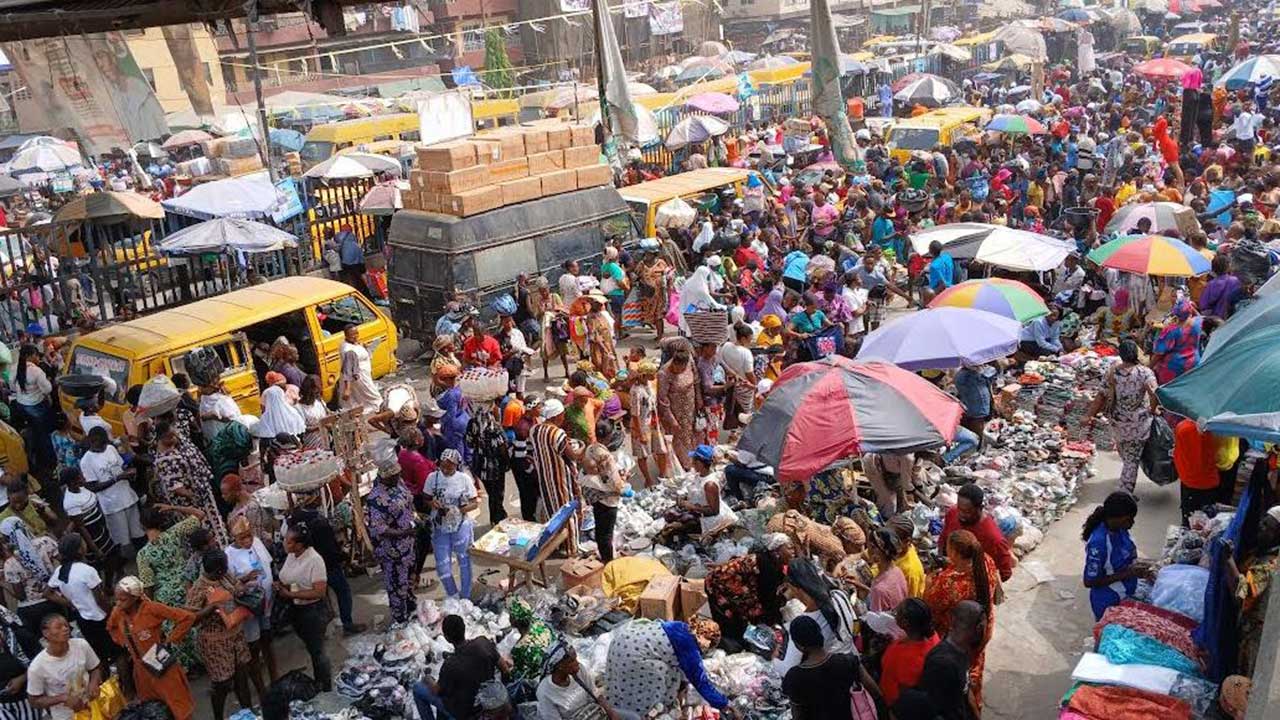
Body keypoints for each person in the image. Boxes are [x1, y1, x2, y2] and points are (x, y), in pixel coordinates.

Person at [923, 531, 998, 713]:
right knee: (974, 671)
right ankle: (975, 705)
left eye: (949, 548)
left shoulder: (949, 582)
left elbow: (929, 605)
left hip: (958, 638)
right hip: (981, 629)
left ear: (955, 553)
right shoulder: (985, 561)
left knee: (957, 683)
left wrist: (929, 580)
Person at [108, 577, 197, 720]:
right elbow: (111, 627)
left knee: (177, 707)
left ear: (135, 598)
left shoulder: (151, 609)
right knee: (151, 710)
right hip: (141, 671)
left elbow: (187, 618)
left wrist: (170, 641)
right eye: (116, 599)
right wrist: (125, 643)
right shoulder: (118, 613)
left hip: (161, 665)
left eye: (122, 600)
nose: (118, 603)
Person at [604, 619, 728, 718]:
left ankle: (619, 701)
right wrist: (725, 704)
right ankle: (640, 710)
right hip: (632, 656)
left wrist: (683, 685)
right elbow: (701, 682)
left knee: (673, 670)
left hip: (621, 642)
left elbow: (683, 667)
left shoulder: (680, 626)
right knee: (663, 673)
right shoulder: (690, 647)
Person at [187, 550, 258, 719]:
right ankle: (218, 716)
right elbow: (190, 619)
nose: (227, 569)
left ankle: (248, 713)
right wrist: (211, 608)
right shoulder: (199, 589)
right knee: (223, 683)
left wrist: (241, 589)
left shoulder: (224, 577)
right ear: (217, 570)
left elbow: (235, 586)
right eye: (224, 567)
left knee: (242, 677)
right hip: (216, 643)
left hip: (235, 635)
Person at [894, 601, 987, 720]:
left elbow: (965, 690)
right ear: (979, 628)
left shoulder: (961, 650)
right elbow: (935, 709)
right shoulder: (943, 665)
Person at [782, 614, 884, 720]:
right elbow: (876, 693)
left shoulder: (794, 677)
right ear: (820, 635)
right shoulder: (848, 661)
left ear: (799, 645)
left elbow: (797, 715)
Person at [1089, 339, 1159, 494]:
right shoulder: (1144, 372)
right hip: (1139, 422)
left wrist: (1088, 415)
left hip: (1118, 421)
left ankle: (1125, 484)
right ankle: (1125, 491)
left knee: (1127, 454)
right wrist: (1152, 409)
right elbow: (1154, 393)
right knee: (1131, 457)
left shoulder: (1112, 372)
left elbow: (1101, 395)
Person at [274, 525, 335, 691]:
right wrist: (281, 586)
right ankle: (319, 683)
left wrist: (291, 594)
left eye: (288, 541)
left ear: (299, 544)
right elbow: (288, 577)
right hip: (297, 609)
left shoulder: (314, 560)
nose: (285, 544)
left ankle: (325, 686)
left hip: (313, 611)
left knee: (318, 652)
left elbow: (320, 592)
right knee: (312, 648)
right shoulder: (292, 556)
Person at [153, 419, 229, 548]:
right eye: (171, 436)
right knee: (202, 533)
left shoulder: (177, 447)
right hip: (190, 504)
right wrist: (193, 495)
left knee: (214, 526)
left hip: (203, 496)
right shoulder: (164, 460)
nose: (175, 437)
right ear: (162, 438)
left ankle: (222, 547)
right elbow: (177, 488)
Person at [775, 558, 857, 675]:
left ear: (794, 587)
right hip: (853, 660)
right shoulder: (839, 595)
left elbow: (786, 668)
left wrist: (773, 657)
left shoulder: (806, 622)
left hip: (835, 675)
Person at [224, 515, 278, 685]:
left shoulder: (257, 543)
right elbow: (230, 585)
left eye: (250, 536)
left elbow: (268, 564)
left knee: (268, 640)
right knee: (253, 645)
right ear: (234, 537)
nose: (248, 541)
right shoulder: (229, 554)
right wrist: (245, 579)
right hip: (249, 608)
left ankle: (275, 677)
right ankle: (260, 685)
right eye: (243, 538)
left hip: (266, 602)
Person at [47, 534, 116, 665]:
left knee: (99, 655)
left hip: (82, 619)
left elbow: (48, 593)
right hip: (100, 617)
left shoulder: (60, 571)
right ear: (79, 550)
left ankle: (108, 681)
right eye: (83, 543)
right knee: (117, 653)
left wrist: (70, 603)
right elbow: (100, 600)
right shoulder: (86, 570)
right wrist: (113, 612)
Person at [1082, 491, 1149, 621]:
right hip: (1110, 600)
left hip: (1126, 591)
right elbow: (1089, 581)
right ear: (1116, 518)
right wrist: (1128, 573)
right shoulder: (1099, 543)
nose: (1132, 523)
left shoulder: (1120, 529)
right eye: (1128, 519)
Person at [530, 400, 585, 554]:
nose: (563, 418)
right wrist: (582, 448)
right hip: (561, 480)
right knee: (568, 513)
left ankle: (558, 545)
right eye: (562, 415)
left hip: (545, 478)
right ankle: (571, 549)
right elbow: (573, 455)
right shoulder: (557, 433)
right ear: (556, 416)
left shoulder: (535, 430)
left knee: (553, 513)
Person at [78, 426, 143, 557]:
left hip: (128, 497)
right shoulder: (86, 461)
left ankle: (142, 556)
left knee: (139, 533)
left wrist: (128, 472)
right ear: (92, 441)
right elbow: (93, 487)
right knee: (123, 540)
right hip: (113, 505)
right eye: (101, 444)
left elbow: (120, 467)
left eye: (105, 443)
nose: (103, 447)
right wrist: (117, 478)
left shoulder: (110, 448)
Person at [431, 614, 510, 720]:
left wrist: (428, 680)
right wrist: (501, 692)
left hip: (465, 713)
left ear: (447, 638)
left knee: (418, 688)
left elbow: (437, 692)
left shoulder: (450, 665)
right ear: (464, 629)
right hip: (488, 703)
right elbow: (505, 670)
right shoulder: (483, 643)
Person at [366, 463, 417, 623]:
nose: (398, 478)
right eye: (395, 476)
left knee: (408, 580)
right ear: (384, 477)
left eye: (398, 474)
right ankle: (400, 619)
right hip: (392, 551)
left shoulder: (398, 483)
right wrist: (404, 532)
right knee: (396, 584)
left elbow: (408, 499)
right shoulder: (376, 498)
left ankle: (410, 608)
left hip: (407, 545)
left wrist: (414, 518)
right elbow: (378, 529)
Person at [424, 449, 478, 600]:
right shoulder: (432, 478)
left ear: (457, 465)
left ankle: (466, 596)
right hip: (440, 527)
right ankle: (453, 595)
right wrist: (432, 503)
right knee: (442, 565)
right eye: (443, 466)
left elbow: (474, 503)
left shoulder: (464, 479)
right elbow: (426, 498)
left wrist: (459, 510)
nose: (446, 469)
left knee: (464, 561)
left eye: (450, 467)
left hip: (460, 526)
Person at [26, 615, 103, 720]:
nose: (65, 629)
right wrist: (63, 698)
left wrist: (94, 683)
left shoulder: (81, 645)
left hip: (93, 706)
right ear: (46, 633)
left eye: (66, 625)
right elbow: (34, 701)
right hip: (66, 716)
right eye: (58, 627)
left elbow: (95, 668)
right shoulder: (37, 666)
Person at [938, 484, 1015, 582]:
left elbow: (1005, 573)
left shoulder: (993, 538)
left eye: (967, 512)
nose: (961, 515)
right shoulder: (953, 513)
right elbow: (943, 539)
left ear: (980, 508)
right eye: (959, 509)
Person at [0, 516, 60, 630]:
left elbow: (21, 596)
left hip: (32, 608)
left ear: (7, 538)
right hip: (56, 597)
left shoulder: (11, 563)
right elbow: (63, 562)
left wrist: (3, 584)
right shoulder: (45, 542)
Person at [879, 598, 941, 707]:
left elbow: (890, 693)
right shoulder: (934, 638)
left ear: (905, 623)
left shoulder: (898, 656)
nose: (895, 614)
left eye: (897, 612)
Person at [536, 642, 614, 720]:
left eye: (576, 658)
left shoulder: (579, 670)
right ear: (560, 666)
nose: (577, 663)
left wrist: (613, 715)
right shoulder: (545, 692)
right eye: (572, 661)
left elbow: (596, 695)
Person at [465, 399, 509, 526]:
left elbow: (469, 443)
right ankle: (498, 518)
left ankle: (496, 517)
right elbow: (502, 447)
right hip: (495, 467)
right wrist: (506, 463)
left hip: (479, 464)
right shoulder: (494, 427)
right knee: (497, 494)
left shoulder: (471, 423)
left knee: (491, 493)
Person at [657, 344, 701, 472]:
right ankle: (682, 465)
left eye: (682, 368)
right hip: (675, 412)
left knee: (692, 433)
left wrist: (699, 399)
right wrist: (672, 420)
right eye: (677, 368)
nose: (680, 370)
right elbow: (662, 400)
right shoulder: (664, 373)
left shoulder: (689, 363)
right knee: (678, 438)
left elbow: (696, 381)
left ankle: (692, 460)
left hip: (690, 407)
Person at [1152, 299, 1204, 384]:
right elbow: (1200, 316)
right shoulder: (1198, 323)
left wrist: (1149, 367)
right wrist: (1192, 309)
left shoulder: (1171, 331)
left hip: (1174, 367)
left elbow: (1159, 353)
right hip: (1194, 363)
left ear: (1176, 314)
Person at [339, 325, 381, 414]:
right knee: (374, 396)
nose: (355, 336)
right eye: (352, 334)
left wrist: (363, 346)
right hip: (359, 377)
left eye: (356, 333)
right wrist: (347, 389)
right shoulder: (349, 351)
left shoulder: (351, 343)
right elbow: (347, 369)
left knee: (362, 397)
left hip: (364, 374)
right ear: (346, 336)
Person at [584, 293, 619, 379]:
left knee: (610, 364)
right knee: (601, 365)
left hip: (608, 342)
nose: (601, 306)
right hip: (599, 346)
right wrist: (604, 349)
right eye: (598, 304)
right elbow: (595, 336)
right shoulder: (591, 317)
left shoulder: (601, 314)